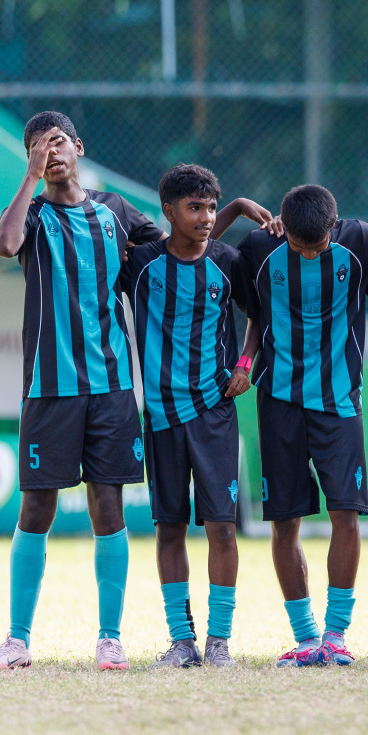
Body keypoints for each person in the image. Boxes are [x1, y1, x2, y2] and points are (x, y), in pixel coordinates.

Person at [0, 111, 270, 671]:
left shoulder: (114, 212)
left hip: (112, 388)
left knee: (107, 505)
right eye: (38, 147)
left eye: (58, 141)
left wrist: (227, 212)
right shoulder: (32, 214)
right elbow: (3, 243)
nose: (50, 152)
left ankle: (110, 638)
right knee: (36, 506)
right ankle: (17, 639)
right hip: (49, 387)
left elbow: (184, 245)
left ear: (79, 147)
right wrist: (29, 179)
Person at [237, 184, 368, 667]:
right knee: (284, 523)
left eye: (318, 246)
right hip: (278, 402)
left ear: (335, 226)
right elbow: (253, 312)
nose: (308, 255)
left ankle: (336, 634)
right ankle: (306, 636)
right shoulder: (260, 248)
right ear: (281, 228)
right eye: (298, 246)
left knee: (345, 515)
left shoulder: (360, 241)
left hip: (339, 404)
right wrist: (247, 358)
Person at [118, 164, 260, 669]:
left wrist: (245, 363)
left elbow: (259, 316)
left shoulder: (228, 261)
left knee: (222, 528)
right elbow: (178, 251)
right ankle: (182, 642)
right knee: (170, 529)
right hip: (159, 417)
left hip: (215, 413)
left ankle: (220, 641)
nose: (205, 218)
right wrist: (238, 210)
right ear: (169, 212)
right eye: (194, 208)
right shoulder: (141, 265)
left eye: (212, 208)